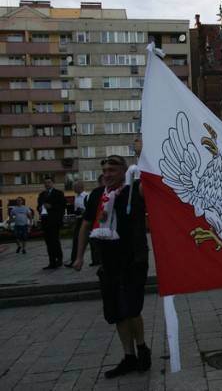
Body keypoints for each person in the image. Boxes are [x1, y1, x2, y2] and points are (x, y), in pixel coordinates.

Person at [73, 154, 151, 379]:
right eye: (105, 170)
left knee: (131, 308)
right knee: (116, 313)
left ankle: (142, 347)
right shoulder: (98, 195)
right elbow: (86, 225)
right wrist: (79, 256)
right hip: (108, 263)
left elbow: (150, 185)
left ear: (124, 170)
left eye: (112, 170)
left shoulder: (134, 190)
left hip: (134, 260)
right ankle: (129, 356)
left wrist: (145, 154)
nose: (107, 174)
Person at [37, 175, 66, 269]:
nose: (47, 184)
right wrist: (40, 208)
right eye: (45, 183)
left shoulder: (58, 193)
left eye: (49, 182)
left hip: (55, 221)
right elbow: (38, 207)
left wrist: (51, 206)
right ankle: (52, 261)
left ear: (52, 183)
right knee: (48, 242)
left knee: (55, 240)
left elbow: (62, 206)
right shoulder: (41, 195)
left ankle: (59, 258)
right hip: (45, 221)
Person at [65, 181, 89, 268]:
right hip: (78, 219)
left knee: (91, 241)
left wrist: (84, 211)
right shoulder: (77, 197)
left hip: (85, 219)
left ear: (80, 187)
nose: (73, 188)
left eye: (75, 186)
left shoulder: (87, 196)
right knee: (75, 240)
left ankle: (96, 260)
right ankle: (74, 260)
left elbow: (90, 208)